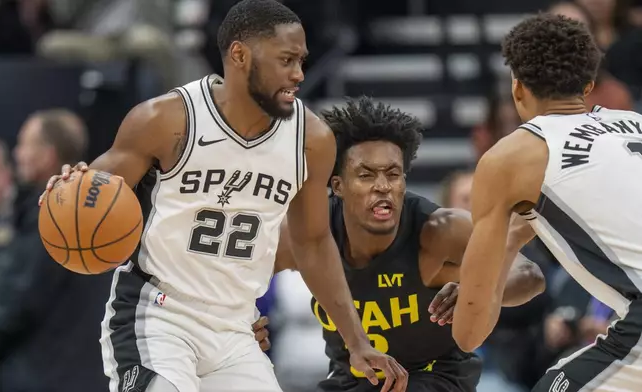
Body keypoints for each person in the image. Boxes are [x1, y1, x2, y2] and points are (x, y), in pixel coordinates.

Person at [41, 1, 407, 391]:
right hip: (159, 314)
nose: (298, 74)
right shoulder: (166, 120)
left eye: (301, 61)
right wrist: (69, 187)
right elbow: (91, 192)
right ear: (239, 55)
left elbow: (313, 243)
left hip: (237, 327)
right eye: (286, 60)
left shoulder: (311, 140)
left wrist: (356, 342)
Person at [260, 97, 545, 391]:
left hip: (434, 377)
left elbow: (530, 276)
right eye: (366, 174)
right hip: (353, 379)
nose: (383, 185)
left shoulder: (439, 230)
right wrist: (243, 320)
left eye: (393, 174)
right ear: (338, 185)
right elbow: (233, 273)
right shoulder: (310, 236)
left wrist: (479, 290)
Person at [452, 13, 642, 392]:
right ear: (588, 86)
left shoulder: (511, 156)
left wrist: (479, 281)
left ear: (517, 88)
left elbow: (469, 334)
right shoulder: (633, 122)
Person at [0, 109, 111, 392]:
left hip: (40, 375)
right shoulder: (102, 211)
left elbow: (15, 305)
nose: (18, 153)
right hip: (89, 375)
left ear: (47, 155)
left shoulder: (47, 217)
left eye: (25, 144)